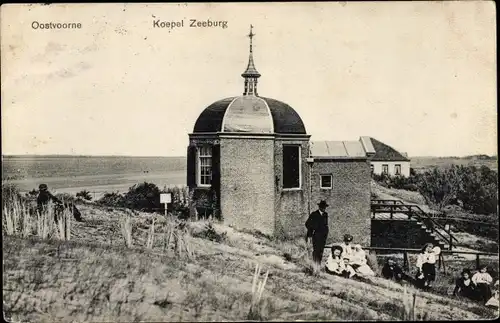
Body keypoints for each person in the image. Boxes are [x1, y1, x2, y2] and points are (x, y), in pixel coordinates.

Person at [305, 200, 329, 265]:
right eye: (323, 207)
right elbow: (307, 224)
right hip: (316, 235)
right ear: (320, 207)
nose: (324, 208)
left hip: (323, 236)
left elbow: (326, 225)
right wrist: (313, 229)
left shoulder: (325, 214)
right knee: (316, 250)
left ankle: (319, 264)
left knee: (321, 250)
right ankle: (315, 264)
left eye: (325, 207)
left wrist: (326, 232)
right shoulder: (314, 214)